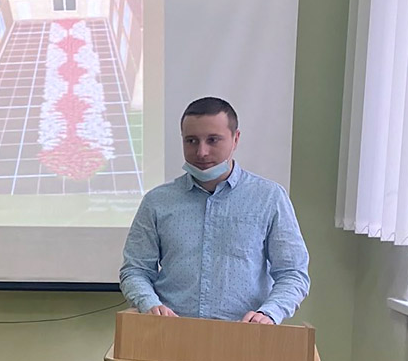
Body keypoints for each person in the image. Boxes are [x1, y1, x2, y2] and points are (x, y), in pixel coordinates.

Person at [119, 97, 310, 324]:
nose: (201, 152)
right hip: (170, 333)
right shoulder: (157, 201)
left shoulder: (269, 198)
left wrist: (269, 313)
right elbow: (135, 270)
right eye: (191, 141)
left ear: (235, 139)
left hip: (245, 335)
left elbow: (293, 272)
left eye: (213, 140)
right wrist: (150, 304)